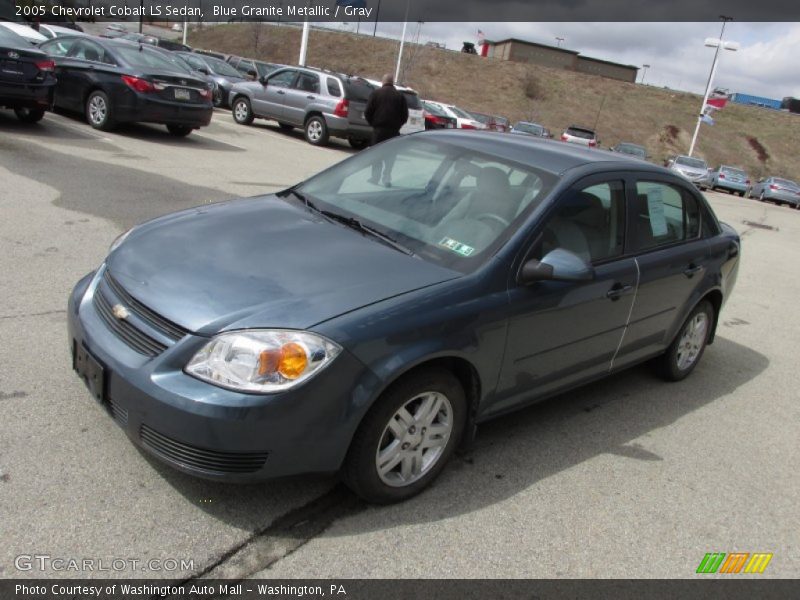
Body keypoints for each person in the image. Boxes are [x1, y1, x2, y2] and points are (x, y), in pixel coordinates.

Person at [364, 73, 408, 186]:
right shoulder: (400, 96)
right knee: (390, 157)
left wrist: (373, 124)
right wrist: (398, 125)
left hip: (378, 131)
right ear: (392, 82)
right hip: (393, 132)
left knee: (376, 155)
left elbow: (367, 112)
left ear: (383, 82)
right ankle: (386, 179)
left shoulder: (376, 94)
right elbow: (405, 116)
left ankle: (375, 178)